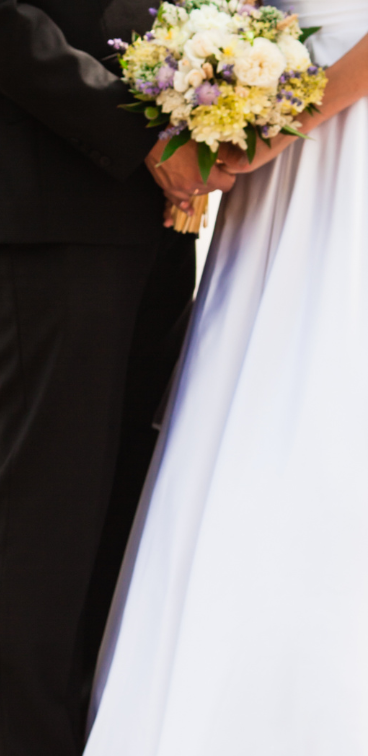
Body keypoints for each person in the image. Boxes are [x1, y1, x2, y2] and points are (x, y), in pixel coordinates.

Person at [0, 1, 236, 754]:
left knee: (129, 499)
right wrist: (142, 135)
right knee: (50, 507)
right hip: (41, 197)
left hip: (155, 207)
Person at [85, 5, 368, 754]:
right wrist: (211, 107)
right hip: (277, 148)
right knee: (248, 397)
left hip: (341, 126)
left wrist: (281, 124)